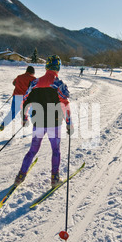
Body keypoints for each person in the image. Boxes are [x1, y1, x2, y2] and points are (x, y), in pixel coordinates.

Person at [14, 55, 73, 188]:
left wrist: (24, 118)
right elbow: (65, 105)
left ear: (46, 66)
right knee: (56, 150)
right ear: (58, 67)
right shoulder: (59, 85)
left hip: (38, 122)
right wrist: (69, 123)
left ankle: (20, 176)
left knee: (33, 150)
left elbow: (24, 101)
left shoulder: (34, 83)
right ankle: (54, 179)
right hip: (54, 123)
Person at [0, 66, 36, 133]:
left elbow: (14, 83)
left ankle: (3, 124)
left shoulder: (19, 77)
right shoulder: (33, 79)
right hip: (26, 98)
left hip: (16, 97)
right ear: (32, 72)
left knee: (12, 113)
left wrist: (19, 85)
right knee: (32, 112)